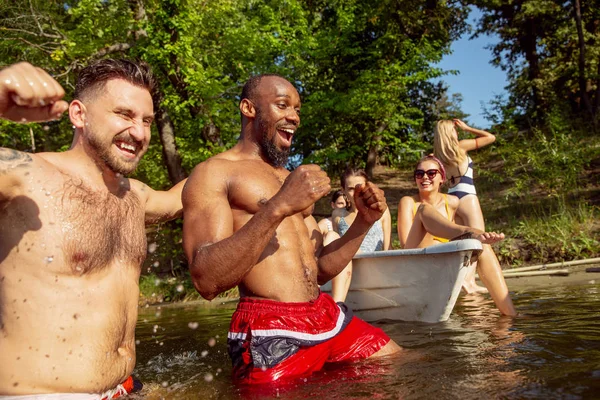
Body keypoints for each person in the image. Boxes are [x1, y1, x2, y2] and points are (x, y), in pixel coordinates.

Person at [182, 74, 401, 384]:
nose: (294, 117)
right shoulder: (213, 173)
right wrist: (278, 206)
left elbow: (318, 271)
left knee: (400, 365)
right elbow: (206, 279)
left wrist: (363, 222)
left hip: (324, 314)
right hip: (269, 331)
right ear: (249, 108)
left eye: (297, 109)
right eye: (282, 105)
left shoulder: (289, 177)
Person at [0, 60, 186, 399]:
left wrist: (246, 164)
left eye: (146, 120)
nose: (140, 133)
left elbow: (183, 197)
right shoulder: (21, 176)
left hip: (125, 389)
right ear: (78, 114)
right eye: (124, 114)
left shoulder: (135, 196)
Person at [397, 155, 516, 316]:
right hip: (417, 259)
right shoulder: (408, 202)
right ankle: (469, 233)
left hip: (445, 259)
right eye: (419, 174)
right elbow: (405, 245)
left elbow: (472, 211)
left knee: (484, 248)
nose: (425, 177)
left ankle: (510, 314)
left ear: (442, 178)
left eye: (431, 173)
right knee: (424, 210)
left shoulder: (452, 202)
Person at [434, 119, 497, 294]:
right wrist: (468, 128)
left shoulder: (437, 157)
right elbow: (490, 137)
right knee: (479, 239)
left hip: (452, 197)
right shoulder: (461, 147)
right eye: (454, 130)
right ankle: (469, 281)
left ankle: (463, 279)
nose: (457, 132)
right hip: (467, 195)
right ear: (449, 133)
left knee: (464, 241)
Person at [327, 168, 392, 302]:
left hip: (375, 267)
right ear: (343, 190)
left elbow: (388, 246)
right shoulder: (338, 215)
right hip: (350, 268)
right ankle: (337, 302)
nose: (356, 192)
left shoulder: (382, 211)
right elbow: (336, 248)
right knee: (331, 236)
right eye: (351, 189)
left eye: (360, 187)